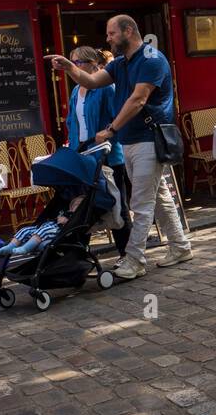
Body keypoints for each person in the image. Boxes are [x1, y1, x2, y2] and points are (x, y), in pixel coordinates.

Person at [46, 16, 191, 280]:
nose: (108, 39)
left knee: (141, 203)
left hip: (148, 138)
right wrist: (69, 67)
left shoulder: (151, 59)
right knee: (159, 196)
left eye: (111, 33)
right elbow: (90, 81)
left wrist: (111, 129)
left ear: (128, 31)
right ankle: (180, 247)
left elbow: (138, 99)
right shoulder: (121, 64)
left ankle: (134, 260)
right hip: (131, 140)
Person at [65, 45, 129, 256]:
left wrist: (107, 134)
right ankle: (78, 257)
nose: (73, 68)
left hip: (107, 155)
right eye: (71, 63)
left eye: (76, 63)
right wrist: (72, 145)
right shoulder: (76, 91)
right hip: (82, 156)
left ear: (92, 64)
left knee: (117, 204)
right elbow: (72, 121)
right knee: (83, 206)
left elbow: (118, 119)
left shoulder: (105, 88)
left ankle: (126, 254)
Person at [0, 193, 86, 256]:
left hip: (58, 231)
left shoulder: (78, 217)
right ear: (71, 206)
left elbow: (75, 225)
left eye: (80, 205)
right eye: (76, 204)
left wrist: (66, 221)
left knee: (44, 231)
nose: (77, 206)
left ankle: (26, 248)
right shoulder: (66, 211)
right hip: (47, 226)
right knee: (25, 230)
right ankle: (10, 247)